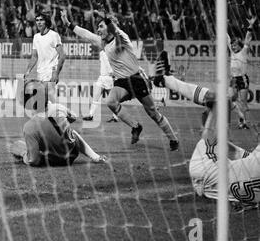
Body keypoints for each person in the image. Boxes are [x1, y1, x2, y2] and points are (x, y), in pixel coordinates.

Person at [60, 9, 179, 150]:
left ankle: (173, 139)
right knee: (110, 102)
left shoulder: (121, 37)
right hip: (121, 82)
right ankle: (136, 126)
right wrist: (68, 24)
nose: (98, 30)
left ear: (109, 28)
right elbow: (86, 34)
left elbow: (113, 29)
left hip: (136, 79)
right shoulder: (103, 42)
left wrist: (106, 18)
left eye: (101, 26)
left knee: (153, 113)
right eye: (98, 27)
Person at [154, 52, 260, 207]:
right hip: (214, 188)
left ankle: (166, 80)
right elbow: (242, 155)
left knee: (221, 99)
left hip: (205, 167)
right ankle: (167, 80)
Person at [9, 80, 107, 167]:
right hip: (72, 155)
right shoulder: (59, 108)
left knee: (29, 145)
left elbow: (34, 161)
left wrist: (23, 153)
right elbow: (73, 118)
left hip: (52, 160)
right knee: (72, 134)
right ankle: (96, 157)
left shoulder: (29, 127)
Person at [23, 10, 66, 103]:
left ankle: (67, 115)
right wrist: (27, 71)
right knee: (49, 103)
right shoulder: (36, 37)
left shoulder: (54, 35)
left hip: (50, 73)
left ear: (46, 21)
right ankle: (68, 115)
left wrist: (56, 73)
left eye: (41, 20)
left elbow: (62, 56)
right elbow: (34, 56)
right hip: (40, 73)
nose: (39, 22)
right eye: (37, 20)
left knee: (44, 100)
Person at [227, 16, 257, 129]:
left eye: (235, 45)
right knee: (229, 99)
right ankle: (241, 117)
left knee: (243, 102)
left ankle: (243, 122)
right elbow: (227, 38)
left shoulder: (244, 51)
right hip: (233, 79)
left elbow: (248, 38)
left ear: (239, 46)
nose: (233, 47)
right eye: (232, 45)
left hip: (242, 78)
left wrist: (250, 26)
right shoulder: (232, 52)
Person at [82, 50, 120, 123]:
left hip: (109, 78)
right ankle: (90, 115)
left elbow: (112, 64)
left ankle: (115, 117)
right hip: (102, 77)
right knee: (95, 97)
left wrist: (113, 74)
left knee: (112, 99)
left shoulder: (112, 52)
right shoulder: (102, 52)